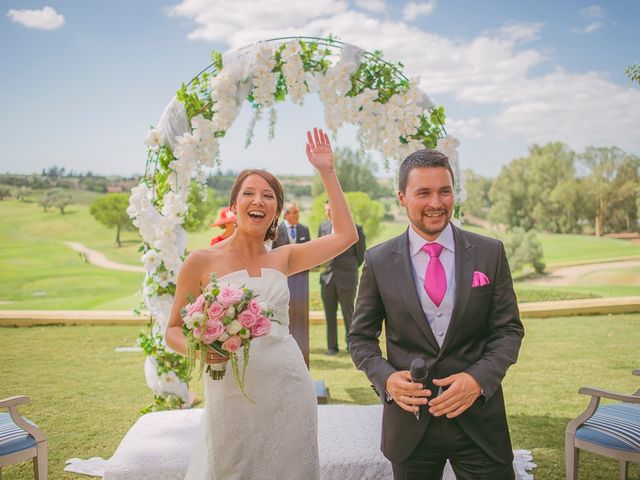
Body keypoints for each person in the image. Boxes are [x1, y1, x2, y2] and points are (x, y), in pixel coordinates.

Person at [166, 128, 358, 480]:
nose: (259, 200)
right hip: (230, 392)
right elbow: (173, 331)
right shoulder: (201, 261)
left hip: (290, 388)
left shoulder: (284, 258)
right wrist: (202, 349)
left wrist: (327, 172)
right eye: (249, 193)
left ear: (276, 213)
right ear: (233, 205)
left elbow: (347, 236)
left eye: (268, 196)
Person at [348, 149, 524, 480]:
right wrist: (386, 379)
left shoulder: (490, 253)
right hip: (410, 424)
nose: (436, 202)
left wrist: (477, 380)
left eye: (445, 191)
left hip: (479, 422)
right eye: (424, 192)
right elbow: (359, 338)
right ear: (402, 197)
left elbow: (508, 330)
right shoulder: (378, 261)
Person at [318, 201, 366, 355]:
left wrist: (349, 270)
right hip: (326, 279)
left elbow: (360, 255)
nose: (328, 213)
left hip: (346, 278)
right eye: (326, 210)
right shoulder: (323, 227)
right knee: (329, 314)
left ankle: (352, 346)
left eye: (331, 210)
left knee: (348, 314)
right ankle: (332, 347)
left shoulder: (354, 228)